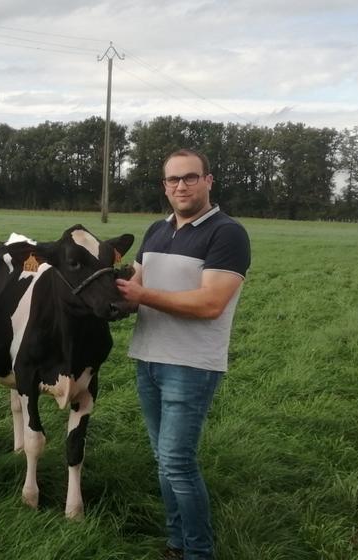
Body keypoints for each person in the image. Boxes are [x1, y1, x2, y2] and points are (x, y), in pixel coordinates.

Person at [116, 148, 250, 560]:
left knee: (178, 462)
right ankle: (176, 544)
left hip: (191, 366)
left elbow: (211, 303)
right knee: (163, 460)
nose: (181, 186)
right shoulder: (156, 230)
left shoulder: (227, 233)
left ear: (208, 181)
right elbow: (132, 291)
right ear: (164, 186)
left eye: (190, 177)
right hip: (149, 359)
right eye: (173, 180)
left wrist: (142, 294)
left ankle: (198, 551)